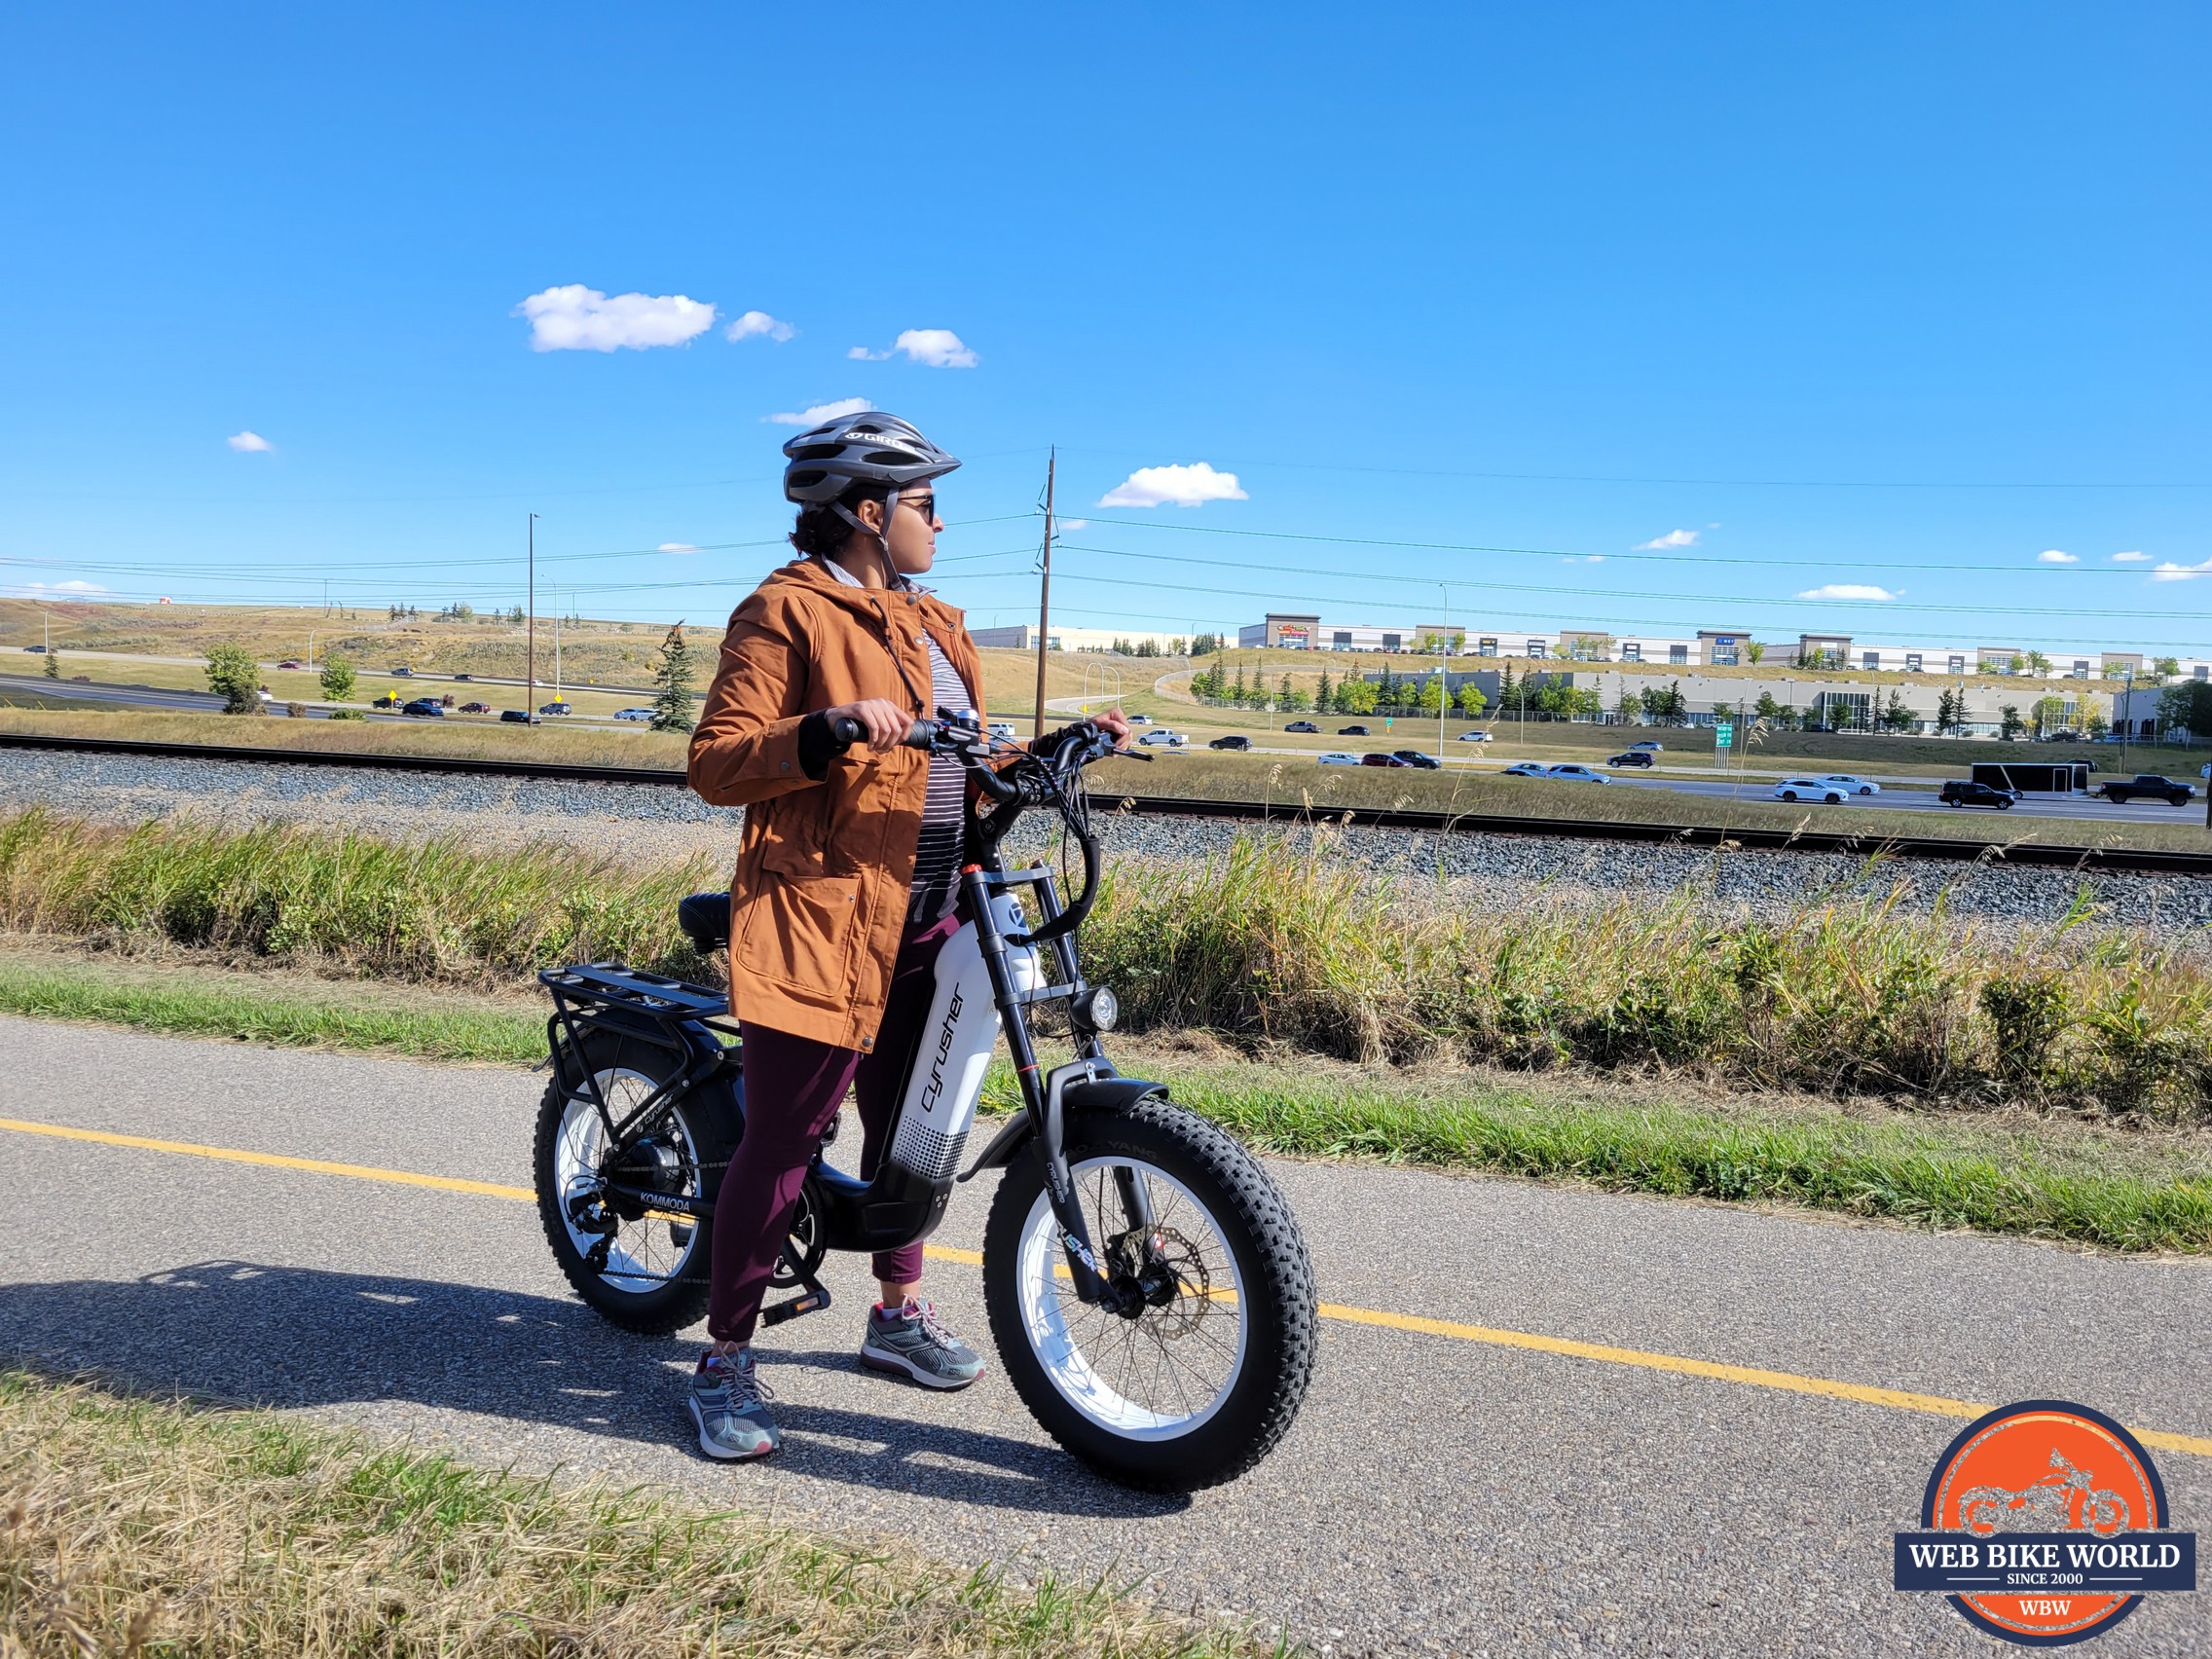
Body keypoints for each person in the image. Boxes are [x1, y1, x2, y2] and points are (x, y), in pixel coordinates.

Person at [683, 411, 1125, 1460]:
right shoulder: (784, 614)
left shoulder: (930, 623)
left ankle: (894, 1317)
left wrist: (1060, 750)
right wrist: (823, 730)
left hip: (935, 911)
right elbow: (715, 761)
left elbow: (966, 763)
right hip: (825, 917)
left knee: (913, 1132)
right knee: (783, 1141)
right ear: (870, 515)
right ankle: (725, 1361)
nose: (939, 522)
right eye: (926, 504)